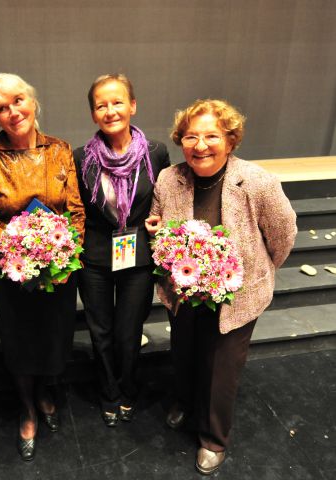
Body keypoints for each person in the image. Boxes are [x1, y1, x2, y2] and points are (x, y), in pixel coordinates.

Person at [147, 99, 297, 474]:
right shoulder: (168, 179)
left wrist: (255, 272)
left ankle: (213, 438)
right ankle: (184, 401)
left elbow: (283, 236)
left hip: (236, 296)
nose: (200, 146)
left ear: (230, 140)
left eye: (211, 136)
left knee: (221, 369)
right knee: (184, 353)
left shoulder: (258, 182)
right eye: (191, 137)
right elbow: (157, 221)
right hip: (184, 292)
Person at [0, 73, 85, 461]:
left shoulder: (60, 149)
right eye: (1, 108)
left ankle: (46, 392)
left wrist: (61, 253)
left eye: (18, 100)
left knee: (54, 336)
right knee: (19, 343)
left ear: (33, 101)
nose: (13, 112)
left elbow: (75, 211)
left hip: (59, 268)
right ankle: (27, 409)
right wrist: (24, 253)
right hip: (11, 271)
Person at [73, 74, 170, 426]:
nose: (110, 110)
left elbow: (165, 198)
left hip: (138, 254)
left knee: (129, 329)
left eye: (117, 102)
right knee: (100, 330)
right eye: (101, 105)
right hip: (95, 256)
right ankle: (108, 392)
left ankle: (128, 388)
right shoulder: (81, 157)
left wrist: (160, 221)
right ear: (93, 114)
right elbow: (78, 208)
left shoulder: (156, 152)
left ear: (132, 105)